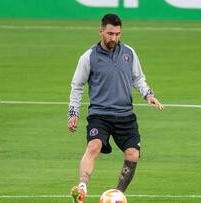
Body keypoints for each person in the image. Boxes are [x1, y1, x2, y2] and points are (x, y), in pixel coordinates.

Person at [68, 13, 164, 203]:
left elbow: (138, 78)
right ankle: (82, 188)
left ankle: (117, 194)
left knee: (133, 154)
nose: (114, 38)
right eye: (110, 34)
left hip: (125, 115)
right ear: (101, 31)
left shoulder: (129, 53)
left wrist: (149, 94)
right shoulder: (88, 57)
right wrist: (73, 113)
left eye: (118, 34)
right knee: (93, 146)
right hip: (100, 115)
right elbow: (77, 85)